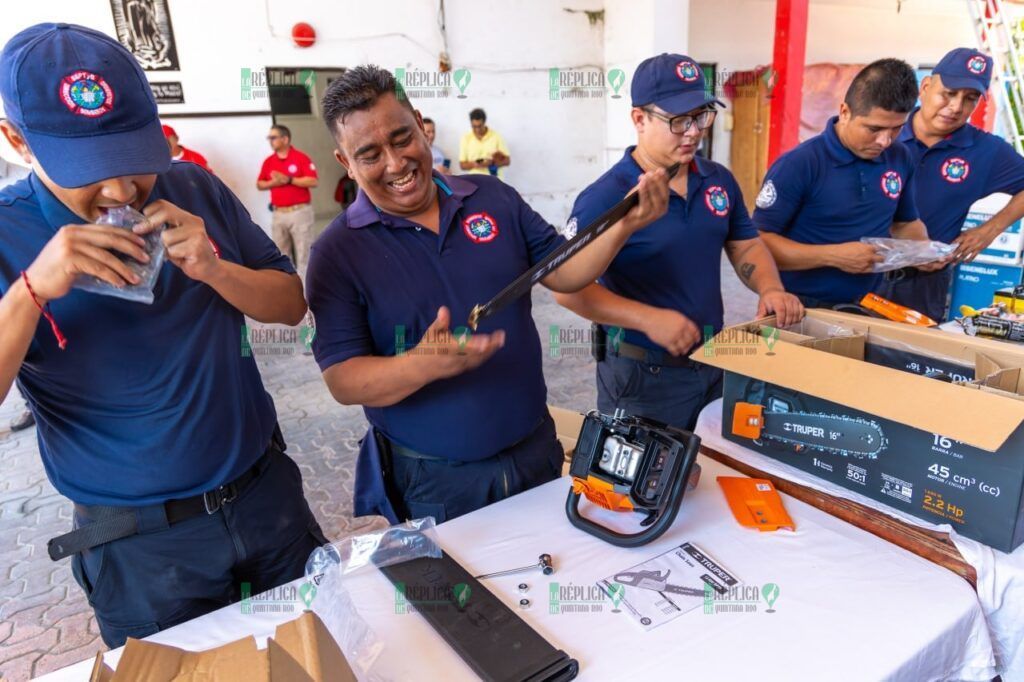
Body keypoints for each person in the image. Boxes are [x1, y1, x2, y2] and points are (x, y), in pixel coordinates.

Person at [0, 23, 325, 647]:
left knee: (317, 654)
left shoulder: (195, 188)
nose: (121, 191)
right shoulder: (7, 234)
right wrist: (33, 289)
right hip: (141, 551)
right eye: (88, 171)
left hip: (266, 502)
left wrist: (214, 267)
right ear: (18, 141)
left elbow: (289, 305)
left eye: (135, 161)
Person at [306, 65, 670, 523]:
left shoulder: (492, 196)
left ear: (420, 124)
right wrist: (418, 365)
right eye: (370, 154)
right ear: (345, 162)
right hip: (435, 482)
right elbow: (342, 379)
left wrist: (627, 224)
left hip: (535, 453)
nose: (396, 164)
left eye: (401, 139)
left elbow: (563, 272)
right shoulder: (336, 254)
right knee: (461, 596)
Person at [555, 53, 803, 431]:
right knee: (644, 485)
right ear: (639, 119)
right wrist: (648, 319)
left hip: (712, 360)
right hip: (641, 376)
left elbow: (746, 244)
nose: (693, 131)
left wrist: (770, 287)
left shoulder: (718, 180)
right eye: (678, 121)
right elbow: (566, 289)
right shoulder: (607, 197)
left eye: (701, 116)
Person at [754, 58, 946, 309]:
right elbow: (757, 242)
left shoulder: (899, 157)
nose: (885, 141)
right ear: (845, 112)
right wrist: (833, 256)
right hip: (799, 306)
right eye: (874, 129)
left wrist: (922, 251)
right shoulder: (800, 163)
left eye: (896, 129)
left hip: (869, 303)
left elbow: (905, 222)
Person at [878, 48, 1024, 321]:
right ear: (925, 87)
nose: (957, 107)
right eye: (949, 93)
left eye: (970, 98)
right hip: (858, 275)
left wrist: (990, 230)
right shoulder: (884, 132)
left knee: (907, 362)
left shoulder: (985, 151)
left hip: (921, 288)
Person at [257, 124, 318, 276]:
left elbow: (313, 181)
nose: (270, 141)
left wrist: (289, 180)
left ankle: (307, 294)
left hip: (300, 212)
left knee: (305, 254)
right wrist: (274, 183)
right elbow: (259, 184)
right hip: (279, 214)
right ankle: (290, 291)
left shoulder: (301, 158)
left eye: (273, 137)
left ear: (285, 139)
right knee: (281, 255)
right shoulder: (269, 161)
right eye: (269, 138)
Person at [458, 108, 510, 179]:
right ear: (471, 124)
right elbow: (462, 165)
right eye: (474, 126)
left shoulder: (496, 136)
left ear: (484, 122)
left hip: (494, 178)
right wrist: (475, 164)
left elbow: (507, 161)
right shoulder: (466, 138)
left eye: (479, 126)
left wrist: (491, 163)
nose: (477, 129)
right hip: (474, 179)